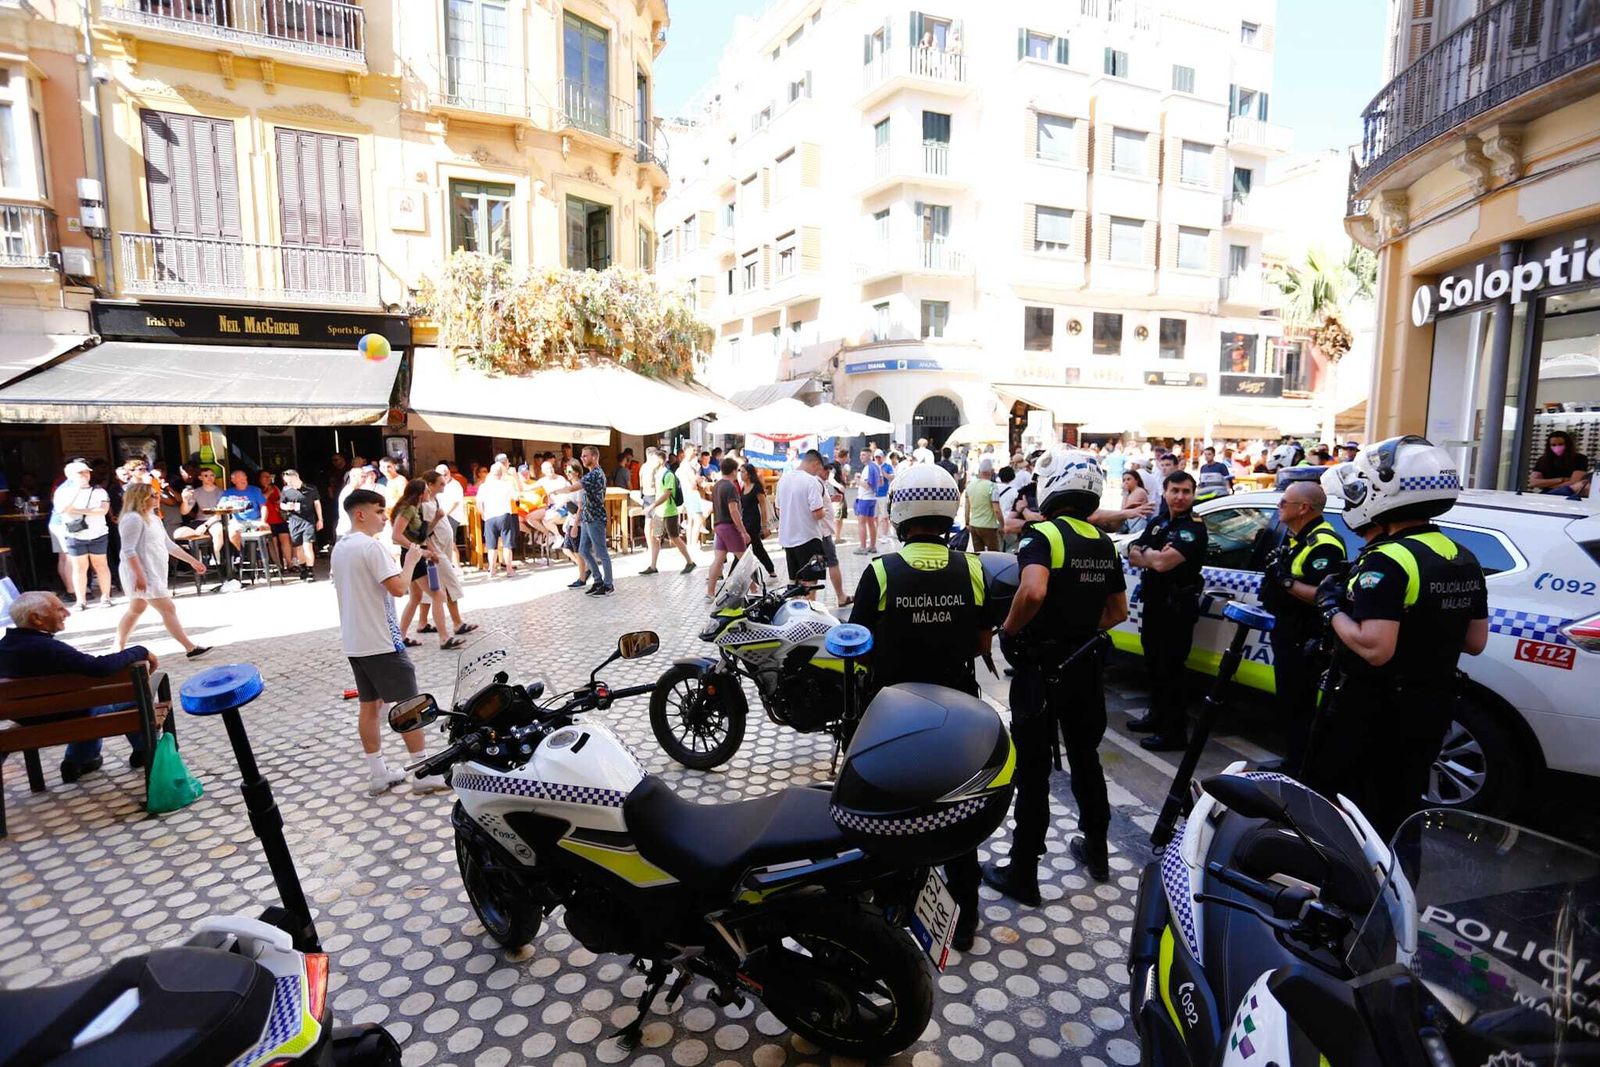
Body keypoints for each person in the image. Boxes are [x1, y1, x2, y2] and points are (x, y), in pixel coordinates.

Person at [1311, 439, 1488, 837]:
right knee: (1401, 809)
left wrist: (1330, 607)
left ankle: (1353, 895)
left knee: (1354, 815)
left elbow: (1375, 647)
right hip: (1432, 705)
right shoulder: (1461, 555)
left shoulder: (1387, 559)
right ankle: (1398, 888)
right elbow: (1475, 641)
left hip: (1375, 709)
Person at [848, 462, 990, 951]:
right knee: (959, 813)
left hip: (896, 715)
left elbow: (858, 641)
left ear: (899, 514)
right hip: (956, 712)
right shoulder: (971, 567)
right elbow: (982, 638)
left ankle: (891, 906)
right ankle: (965, 918)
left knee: (894, 806)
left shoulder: (881, 571)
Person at [984, 449, 1128, 900]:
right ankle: (1098, 853)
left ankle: (1023, 872)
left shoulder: (1041, 534)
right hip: (1084, 666)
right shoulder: (1102, 541)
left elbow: (1033, 589)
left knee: (1033, 772)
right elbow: (1118, 611)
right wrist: (1079, 631)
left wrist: (1008, 630)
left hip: (1041, 670)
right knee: (1087, 759)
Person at [331, 489, 447, 797]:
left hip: (356, 640)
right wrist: (409, 560)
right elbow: (398, 588)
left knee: (369, 706)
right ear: (361, 514)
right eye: (380, 512)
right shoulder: (371, 547)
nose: (385, 517)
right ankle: (422, 772)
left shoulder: (340, 547)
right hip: (381, 640)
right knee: (409, 705)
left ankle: (378, 773)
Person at [0, 592, 158, 782]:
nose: (67, 613)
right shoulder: (50, 649)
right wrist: (140, 650)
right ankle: (141, 752)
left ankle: (82, 760)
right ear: (36, 619)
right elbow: (100, 667)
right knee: (132, 697)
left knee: (83, 704)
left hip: (29, 720)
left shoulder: (4, 647)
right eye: (59, 609)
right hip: (66, 716)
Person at [1259, 481, 1347, 776]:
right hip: (1288, 630)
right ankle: (1294, 761)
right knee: (1290, 703)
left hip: (1304, 635)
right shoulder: (1299, 537)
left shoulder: (1324, 544)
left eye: (1284, 502)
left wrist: (1285, 581)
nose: (1279, 506)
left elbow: (1322, 594)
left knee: (1300, 706)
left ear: (1303, 508)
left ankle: (1302, 769)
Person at [1126, 469, 1206, 751]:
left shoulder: (1193, 528)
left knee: (1171, 669)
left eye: (1186, 491)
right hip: (1155, 604)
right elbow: (1133, 551)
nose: (1180, 496)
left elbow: (1161, 564)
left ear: (1193, 494)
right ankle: (1156, 717)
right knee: (1154, 664)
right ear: (1165, 492)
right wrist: (1150, 554)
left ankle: (1174, 733)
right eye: (1175, 491)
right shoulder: (1160, 522)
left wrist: (1150, 555)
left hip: (1177, 608)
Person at [112, 482, 211, 658]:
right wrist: (139, 575)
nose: (157, 498)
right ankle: (190, 647)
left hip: (153, 569)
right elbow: (128, 550)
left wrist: (193, 561)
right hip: (142, 572)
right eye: (152, 495)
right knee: (168, 608)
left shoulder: (154, 518)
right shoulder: (133, 518)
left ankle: (117, 647)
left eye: (156, 495)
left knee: (136, 609)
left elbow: (169, 545)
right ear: (140, 498)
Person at [417, 470, 476, 641]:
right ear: (430, 484)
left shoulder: (433, 500)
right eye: (440, 483)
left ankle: (422, 622)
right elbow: (424, 532)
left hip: (442, 549)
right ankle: (456, 623)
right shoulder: (427, 505)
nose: (444, 486)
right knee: (449, 584)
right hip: (436, 551)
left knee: (433, 588)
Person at [55, 460, 115, 610]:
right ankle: (80, 601)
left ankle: (105, 597)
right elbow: (63, 509)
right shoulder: (62, 491)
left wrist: (77, 510)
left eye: (86, 472)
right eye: (80, 473)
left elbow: (102, 511)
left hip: (98, 533)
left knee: (100, 565)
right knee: (79, 567)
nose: (84, 475)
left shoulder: (99, 491)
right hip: (74, 534)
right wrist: (76, 491)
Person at [776, 449, 830, 595]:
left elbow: (778, 510)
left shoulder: (783, 479)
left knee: (794, 583)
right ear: (815, 463)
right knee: (810, 584)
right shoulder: (811, 481)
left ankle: (795, 612)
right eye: (818, 468)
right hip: (808, 538)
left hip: (788, 539)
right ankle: (809, 612)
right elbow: (817, 513)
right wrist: (827, 510)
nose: (817, 472)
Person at [640, 453, 696, 576]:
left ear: (660, 461)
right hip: (660, 512)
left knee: (674, 538)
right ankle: (653, 566)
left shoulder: (668, 474)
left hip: (669, 512)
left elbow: (667, 494)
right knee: (656, 538)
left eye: (653, 460)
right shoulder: (658, 474)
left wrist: (652, 505)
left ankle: (690, 561)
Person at [706, 458, 751, 598]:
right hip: (729, 526)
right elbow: (734, 511)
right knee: (744, 560)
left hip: (719, 525)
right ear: (733, 471)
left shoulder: (717, 485)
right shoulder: (730, 487)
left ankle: (710, 592)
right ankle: (755, 589)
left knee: (718, 560)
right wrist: (743, 531)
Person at [577, 445, 614, 596]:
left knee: (601, 552)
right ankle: (598, 579)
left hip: (595, 518)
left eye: (585, 456)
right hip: (587, 517)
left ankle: (608, 584)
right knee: (583, 550)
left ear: (594, 457)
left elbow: (576, 486)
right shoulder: (591, 473)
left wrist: (560, 490)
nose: (583, 458)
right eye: (582, 456)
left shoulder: (595, 474)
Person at [278, 469, 322, 581]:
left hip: (308, 520)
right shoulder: (286, 490)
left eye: (290, 481)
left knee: (308, 546)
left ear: (296, 477)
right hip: (294, 520)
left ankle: (310, 570)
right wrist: (287, 507)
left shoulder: (311, 489)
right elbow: (282, 504)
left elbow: (317, 504)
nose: (289, 484)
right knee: (299, 548)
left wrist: (320, 519)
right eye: (286, 482)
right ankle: (303, 568)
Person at [476, 461, 517, 579]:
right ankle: (509, 569)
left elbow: (479, 502)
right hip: (504, 515)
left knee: (491, 546)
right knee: (507, 544)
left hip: (490, 517)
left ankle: (492, 570)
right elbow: (516, 496)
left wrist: (483, 515)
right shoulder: (507, 484)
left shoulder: (484, 486)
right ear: (502, 473)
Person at [738, 461, 777, 578]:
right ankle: (770, 570)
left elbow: (763, 507)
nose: (741, 474)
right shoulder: (743, 487)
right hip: (745, 519)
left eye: (743, 472)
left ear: (749, 474)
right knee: (756, 548)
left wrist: (764, 525)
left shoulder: (757, 487)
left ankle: (738, 574)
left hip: (754, 520)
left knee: (746, 547)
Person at [217, 469, 267, 558]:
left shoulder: (255, 490)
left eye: (244, 477)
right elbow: (220, 507)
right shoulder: (228, 493)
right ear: (233, 481)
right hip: (238, 521)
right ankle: (245, 554)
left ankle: (260, 557)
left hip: (256, 520)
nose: (243, 480)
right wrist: (227, 505)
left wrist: (263, 521)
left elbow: (263, 506)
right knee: (232, 533)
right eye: (240, 478)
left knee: (263, 531)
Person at [1529, 430, 1591, 498]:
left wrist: (1544, 484)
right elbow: (1532, 482)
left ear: (1568, 444)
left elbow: (1574, 484)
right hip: (1546, 495)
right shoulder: (1542, 460)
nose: (1557, 447)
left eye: (1561, 444)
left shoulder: (1580, 459)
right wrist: (1561, 480)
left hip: (1568, 495)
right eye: (1553, 445)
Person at [962, 456, 1002, 551]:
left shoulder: (970, 486)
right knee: (994, 554)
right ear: (991, 471)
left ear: (979, 471)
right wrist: (1002, 525)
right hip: (989, 526)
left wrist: (967, 522)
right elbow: (996, 510)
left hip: (974, 525)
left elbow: (967, 506)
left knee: (978, 554)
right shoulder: (992, 486)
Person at [258, 469, 291, 571]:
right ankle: (278, 565)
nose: (268, 479)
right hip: (267, 520)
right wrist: (268, 492)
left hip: (279, 518)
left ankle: (290, 564)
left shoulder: (275, 487)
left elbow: (281, 499)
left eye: (269, 477)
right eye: (265, 477)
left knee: (285, 539)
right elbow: (261, 499)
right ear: (259, 479)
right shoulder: (257, 490)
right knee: (273, 542)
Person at [852, 448, 882, 555]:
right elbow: (880, 482)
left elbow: (867, 485)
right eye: (861, 455)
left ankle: (862, 547)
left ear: (870, 455)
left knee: (861, 523)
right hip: (873, 498)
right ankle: (872, 546)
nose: (861, 457)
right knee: (871, 523)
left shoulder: (868, 468)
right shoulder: (876, 467)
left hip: (865, 498)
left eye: (864, 455)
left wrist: (857, 480)